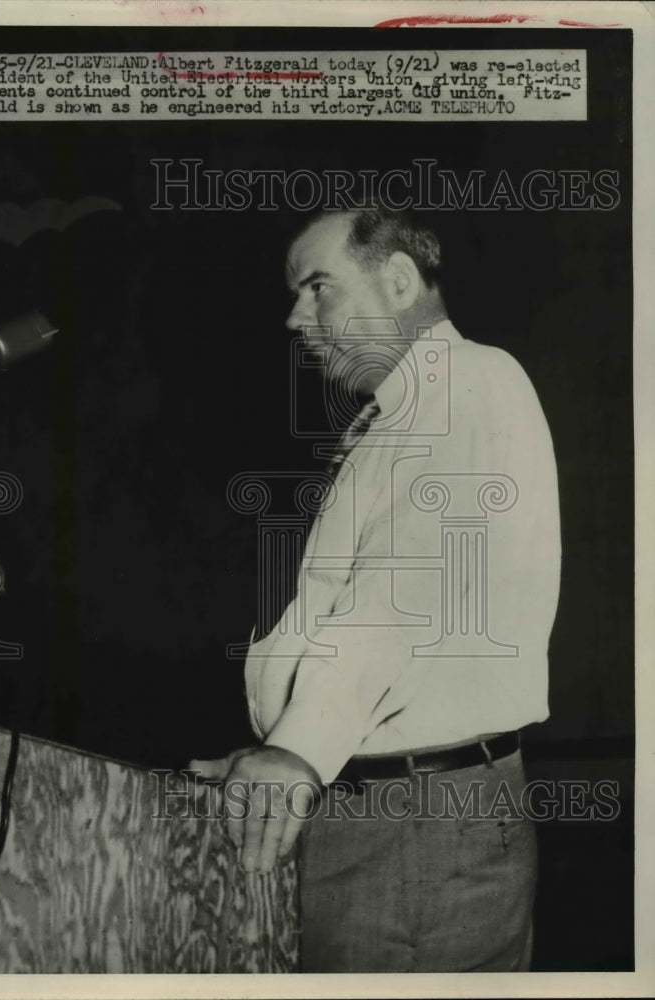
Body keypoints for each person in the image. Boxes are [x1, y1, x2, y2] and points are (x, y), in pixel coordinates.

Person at [191, 206, 561, 972]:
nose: (297, 317)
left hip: (413, 827)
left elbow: (400, 593)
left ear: (397, 281)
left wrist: (297, 751)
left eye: (317, 287)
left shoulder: (465, 382)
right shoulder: (405, 414)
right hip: (395, 811)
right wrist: (287, 742)